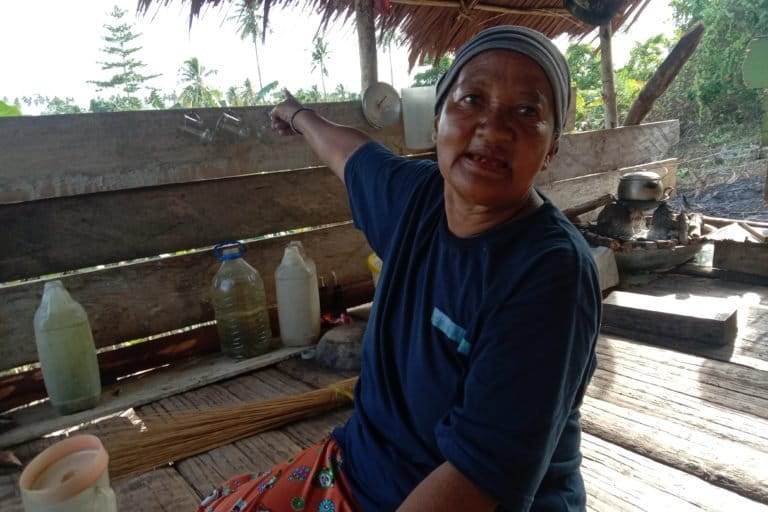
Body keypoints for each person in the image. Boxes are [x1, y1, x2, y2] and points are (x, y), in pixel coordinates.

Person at [198, 25, 601, 512]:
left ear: (552, 147)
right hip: (358, 468)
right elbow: (349, 153)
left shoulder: (550, 274)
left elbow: (479, 479)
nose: (493, 129)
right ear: (437, 122)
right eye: (472, 99)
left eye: (526, 111)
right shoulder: (416, 198)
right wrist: (299, 116)